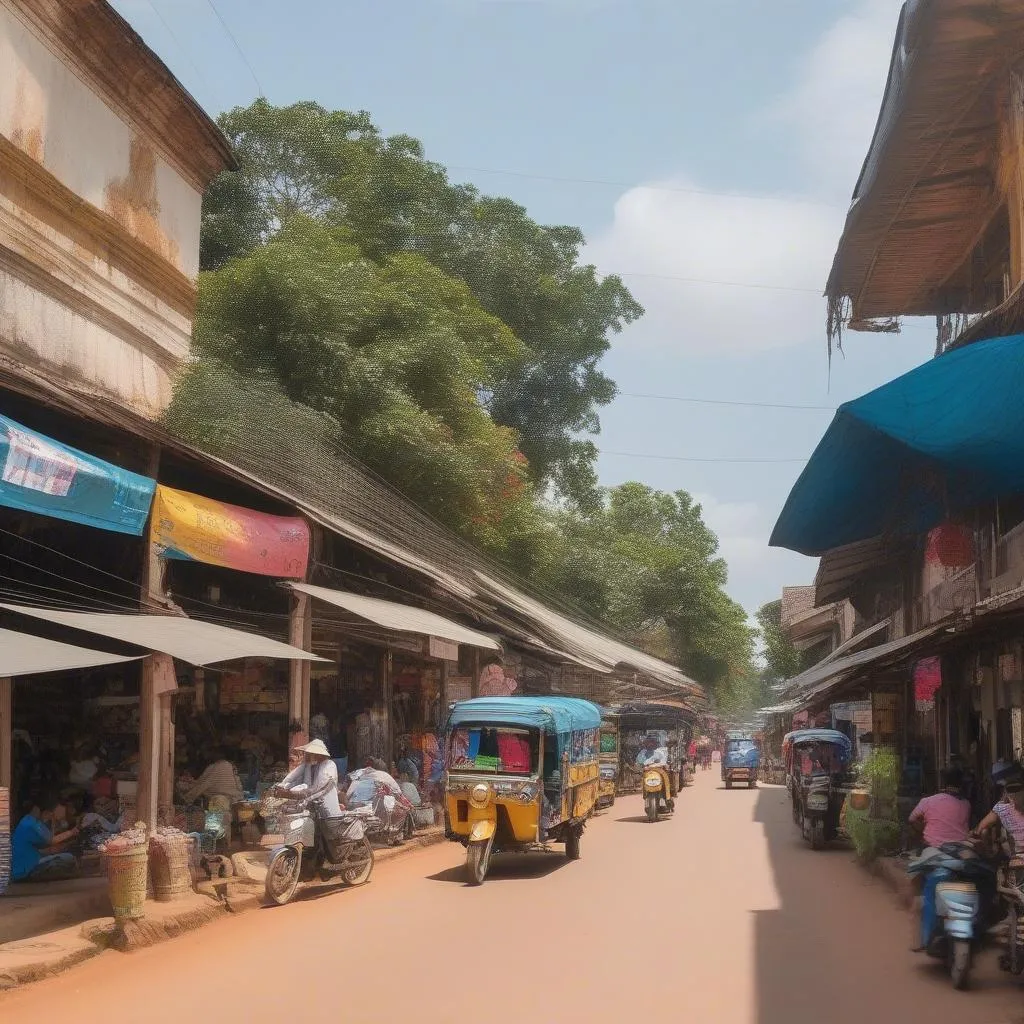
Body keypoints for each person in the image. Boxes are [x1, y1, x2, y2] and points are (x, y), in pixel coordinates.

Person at [908, 766, 972, 952]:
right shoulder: (966, 804)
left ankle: (922, 939)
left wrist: (923, 830)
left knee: (923, 892)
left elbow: (912, 818)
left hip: (934, 852)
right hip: (961, 854)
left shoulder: (928, 801)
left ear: (943, 783)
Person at [11, 797, 80, 882]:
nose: (51, 815)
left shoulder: (30, 821)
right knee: (68, 858)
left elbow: (47, 847)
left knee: (65, 857)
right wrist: (72, 832)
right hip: (27, 868)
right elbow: (52, 841)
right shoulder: (31, 823)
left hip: (26, 866)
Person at [276, 739, 342, 817]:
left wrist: (301, 795)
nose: (306, 755)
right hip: (312, 805)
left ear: (318, 754)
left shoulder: (329, 765)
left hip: (326, 806)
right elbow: (293, 776)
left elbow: (321, 788)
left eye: (310, 753)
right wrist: (283, 786)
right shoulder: (308, 765)